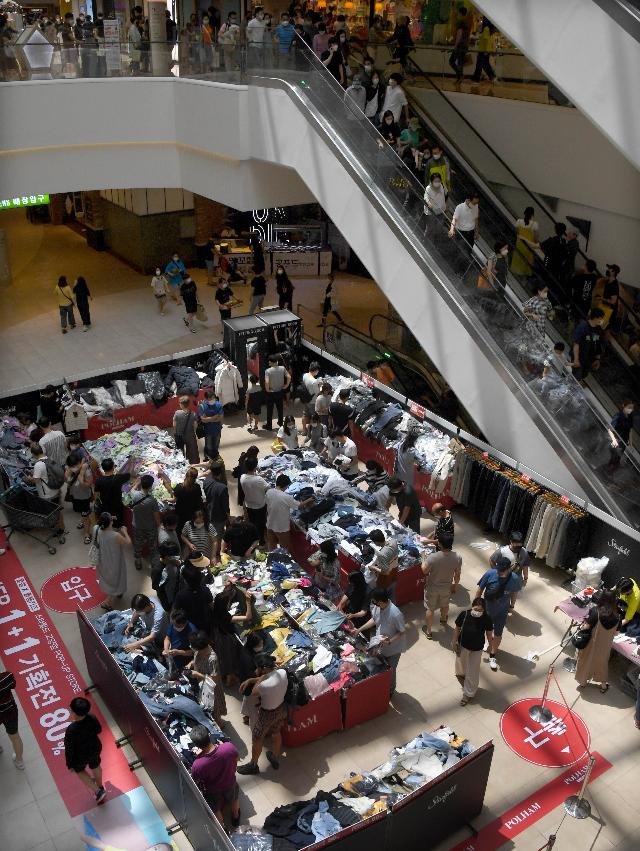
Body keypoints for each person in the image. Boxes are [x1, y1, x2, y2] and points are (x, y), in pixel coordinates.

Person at [237, 654, 288, 774]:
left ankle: (253, 765)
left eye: (258, 668)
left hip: (267, 714)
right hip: (281, 709)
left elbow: (255, 691)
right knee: (276, 732)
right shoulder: (282, 672)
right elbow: (268, 677)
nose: (256, 670)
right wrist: (251, 679)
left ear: (263, 668)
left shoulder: (265, 685)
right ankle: (275, 757)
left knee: (257, 738)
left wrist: (256, 678)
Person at [476, 556, 522, 671]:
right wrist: (476, 605)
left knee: (498, 634)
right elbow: (479, 590)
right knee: (486, 629)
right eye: (498, 569)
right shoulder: (490, 573)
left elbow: (514, 593)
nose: (499, 572)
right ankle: (487, 641)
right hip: (487, 609)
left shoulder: (515, 579)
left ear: (509, 568)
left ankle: (493, 655)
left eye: (502, 570)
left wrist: (512, 606)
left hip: (502, 612)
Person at [357, 589, 406, 696]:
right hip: (380, 644)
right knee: (380, 668)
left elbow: (402, 632)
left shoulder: (395, 614)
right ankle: (381, 687)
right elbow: (374, 620)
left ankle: (390, 692)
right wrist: (359, 629)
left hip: (393, 649)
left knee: (390, 671)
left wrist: (389, 642)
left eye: (375, 602)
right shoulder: (378, 607)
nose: (373, 604)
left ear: (381, 601)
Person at [190, 725, 240, 826]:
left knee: (216, 809)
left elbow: (197, 780)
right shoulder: (228, 747)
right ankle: (235, 817)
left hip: (212, 790)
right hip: (230, 782)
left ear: (197, 745)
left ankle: (223, 826)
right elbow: (236, 759)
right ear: (209, 735)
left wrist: (199, 756)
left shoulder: (197, 764)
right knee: (234, 799)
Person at [575, 590, 620, 692]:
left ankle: (583, 682)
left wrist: (583, 625)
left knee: (586, 662)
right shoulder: (618, 617)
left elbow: (586, 627)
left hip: (592, 644)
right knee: (602, 665)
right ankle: (603, 686)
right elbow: (616, 633)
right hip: (605, 647)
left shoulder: (596, 611)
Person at [452, 598, 494, 706]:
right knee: (460, 662)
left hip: (477, 648)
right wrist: (453, 641)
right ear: (472, 606)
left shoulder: (487, 619)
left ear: (484, 610)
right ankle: (460, 673)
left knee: (473, 671)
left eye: (480, 610)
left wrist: (490, 645)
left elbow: (489, 633)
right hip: (463, 645)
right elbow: (457, 628)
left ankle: (468, 694)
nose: (478, 612)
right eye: (476, 609)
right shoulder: (464, 614)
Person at [64, 697, 106, 804]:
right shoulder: (92, 717)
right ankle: (100, 786)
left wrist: (70, 764)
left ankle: (97, 792)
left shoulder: (71, 730)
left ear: (74, 712)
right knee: (95, 765)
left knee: (79, 771)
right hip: (95, 748)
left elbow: (69, 749)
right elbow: (99, 730)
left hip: (80, 756)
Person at [421, 533, 461, 639]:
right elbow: (457, 574)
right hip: (446, 587)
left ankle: (429, 631)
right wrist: (455, 586)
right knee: (445, 604)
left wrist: (423, 559)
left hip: (432, 587)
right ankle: (443, 619)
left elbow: (424, 571)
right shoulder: (457, 557)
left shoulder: (433, 557)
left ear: (440, 544)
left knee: (430, 608)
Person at [24, 444, 66, 536]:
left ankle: (58, 530)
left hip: (47, 493)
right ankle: (62, 527)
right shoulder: (49, 459)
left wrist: (28, 478)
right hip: (55, 489)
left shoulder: (38, 464)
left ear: (34, 454)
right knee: (58, 509)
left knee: (51, 513)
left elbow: (36, 480)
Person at [490, 532, 530, 609]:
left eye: (520, 544)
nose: (518, 546)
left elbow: (525, 566)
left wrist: (525, 578)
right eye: (516, 544)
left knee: (514, 592)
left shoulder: (524, 552)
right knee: (500, 592)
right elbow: (492, 560)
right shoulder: (502, 551)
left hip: (516, 578)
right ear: (511, 541)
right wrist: (496, 572)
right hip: (503, 578)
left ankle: (511, 606)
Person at [131, 473, 161, 572]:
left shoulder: (134, 495)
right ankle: (154, 564)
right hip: (150, 527)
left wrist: (137, 483)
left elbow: (132, 489)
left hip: (137, 525)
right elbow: (157, 518)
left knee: (138, 544)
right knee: (152, 546)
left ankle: (138, 561)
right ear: (151, 486)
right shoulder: (152, 501)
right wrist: (159, 526)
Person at [167, 467, 205, 539]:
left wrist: (166, 499)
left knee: (180, 530)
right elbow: (199, 498)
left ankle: (181, 542)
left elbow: (174, 500)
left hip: (181, 513)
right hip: (192, 513)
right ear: (196, 478)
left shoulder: (179, 487)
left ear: (186, 476)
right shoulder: (197, 487)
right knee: (190, 530)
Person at [65, 451, 94, 542]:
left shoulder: (86, 470)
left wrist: (81, 480)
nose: (74, 468)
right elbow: (66, 480)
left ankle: (87, 534)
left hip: (84, 497)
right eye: (71, 466)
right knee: (82, 512)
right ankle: (82, 520)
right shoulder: (68, 469)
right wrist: (69, 472)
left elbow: (89, 484)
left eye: (75, 466)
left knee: (86, 515)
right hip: (75, 496)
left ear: (79, 463)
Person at [93, 458, 130, 528]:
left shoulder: (99, 480)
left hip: (105, 507)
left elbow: (96, 496)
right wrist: (131, 462)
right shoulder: (118, 478)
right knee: (117, 526)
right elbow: (131, 474)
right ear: (113, 467)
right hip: (117, 507)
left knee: (107, 524)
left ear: (103, 468)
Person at [266, 474, 298, 551]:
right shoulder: (286, 497)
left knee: (271, 543)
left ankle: (272, 559)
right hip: (281, 527)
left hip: (270, 522)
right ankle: (282, 560)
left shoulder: (269, 492)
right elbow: (298, 506)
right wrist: (309, 500)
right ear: (286, 485)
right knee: (284, 547)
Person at [0, 670, 25, 770]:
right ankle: (19, 761)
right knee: (15, 736)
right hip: (10, 711)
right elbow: (13, 685)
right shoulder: (7, 677)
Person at [449, 194, 480, 274]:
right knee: (461, 252)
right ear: (468, 200)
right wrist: (452, 229)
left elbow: (476, 220)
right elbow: (454, 219)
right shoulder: (460, 207)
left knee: (468, 251)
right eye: (474, 203)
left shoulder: (475, 207)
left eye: (476, 203)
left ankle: (462, 270)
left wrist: (476, 232)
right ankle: (455, 270)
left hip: (470, 233)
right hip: (461, 233)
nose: (475, 204)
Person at [572, 307, 605, 381]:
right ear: (595, 318)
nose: (602, 320)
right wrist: (576, 359)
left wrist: (597, 359)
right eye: (601, 318)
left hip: (589, 359)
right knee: (576, 377)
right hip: (580, 356)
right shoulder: (583, 326)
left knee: (582, 376)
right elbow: (576, 343)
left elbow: (598, 345)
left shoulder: (598, 330)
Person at [365, 529, 399, 598]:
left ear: (376, 542)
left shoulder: (382, 554)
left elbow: (385, 572)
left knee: (383, 598)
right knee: (392, 595)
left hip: (385, 580)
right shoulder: (393, 541)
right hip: (394, 573)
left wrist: (373, 568)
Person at [201, 461, 230, 539]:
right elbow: (225, 505)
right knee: (217, 536)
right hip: (219, 515)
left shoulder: (206, 481)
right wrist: (228, 517)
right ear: (220, 472)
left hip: (209, 511)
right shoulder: (222, 487)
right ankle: (217, 550)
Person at [163, 609, 196, 673]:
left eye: (177, 626)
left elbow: (194, 652)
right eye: (174, 624)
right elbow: (167, 638)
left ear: (185, 623)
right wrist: (166, 649)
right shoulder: (174, 623)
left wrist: (179, 652)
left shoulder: (192, 632)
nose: (175, 627)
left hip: (185, 664)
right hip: (173, 661)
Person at [263, 355, 291, 431]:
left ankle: (269, 426)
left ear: (271, 362)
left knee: (270, 410)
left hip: (271, 393)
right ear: (277, 362)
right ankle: (280, 422)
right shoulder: (282, 368)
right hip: (280, 391)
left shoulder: (268, 371)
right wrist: (286, 386)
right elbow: (288, 377)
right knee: (280, 408)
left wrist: (267, 389)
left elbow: (267, 381)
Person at [510, 207, 539, 279]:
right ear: (532, 215)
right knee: (526, 260)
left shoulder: (519, 221)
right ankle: (524, 274)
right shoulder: (535, 224)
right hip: (528, 245)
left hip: (519, 243)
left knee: (518, 257)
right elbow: (536, 237)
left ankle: (516, 272)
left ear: (524, 213)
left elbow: (516, 232)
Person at [198, 389, 224, 461]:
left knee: (215, 446)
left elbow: (220, 418)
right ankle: (207, 458)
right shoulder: (202, 406)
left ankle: (214, 459)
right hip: (207, 431)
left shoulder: (219, 405)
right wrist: (215, 417)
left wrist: (208, 419)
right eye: (210, 399)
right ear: (206, 399)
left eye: (213, 398)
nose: (213, 400)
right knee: (208, 446)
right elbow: (203, 420)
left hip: (217, 430)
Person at [173, 396, 199, 465]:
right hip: (190, 435)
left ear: (182, 404)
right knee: (192, 452)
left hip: (179, 435)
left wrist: (175, 432)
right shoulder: (193, 414)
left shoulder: (177, 413)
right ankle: (192, 464)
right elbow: (195, 425)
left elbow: (174, 424)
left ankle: (182, 463)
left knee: (180, 451)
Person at [471, 18, 496, 84]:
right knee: (485, 65)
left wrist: (485, 51)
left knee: (479, 65)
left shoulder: (486, 29)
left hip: (483, 50)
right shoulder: (491, 29)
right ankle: (493, 77)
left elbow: (486, 41)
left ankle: (476, 79)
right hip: (486, 50)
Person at [423, 172, 447, 240]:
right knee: (430, 228)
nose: (437, 183)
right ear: (432, 181)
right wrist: (429, 203)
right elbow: (426, 197)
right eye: (435, 181)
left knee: (438, 228)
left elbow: (446, 195)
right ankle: (426, 241)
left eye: (439, 181)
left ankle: (435, 241)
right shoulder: (428, 188)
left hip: (441, 211)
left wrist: (446, 204)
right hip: (431, 212)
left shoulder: (442, 186)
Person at [449, 6, 470, 82]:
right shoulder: (467, 22)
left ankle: (460, 76)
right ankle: (460, 77)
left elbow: (459, 34)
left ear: (460, 13)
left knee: (452, 61)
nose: (457, 15)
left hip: (460, 45)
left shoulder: (461, 22)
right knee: (460, 62)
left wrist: (455, 45)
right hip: (465, 45)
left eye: (458, 13)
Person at [300, 362, 322, 435]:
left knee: (305, 414)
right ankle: (312, 432)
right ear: (315, 370)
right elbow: (317, 392)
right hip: (312, 401)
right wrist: (320, 385)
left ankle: (304, 430)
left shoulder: (305, 375)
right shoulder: (314, 381)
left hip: (305, 398)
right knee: (314, 417)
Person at [599, 263, 621, 331]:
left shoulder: (614, 285)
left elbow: (613, 302)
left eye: (609, 269)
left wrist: (602, 299)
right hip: (605, 308)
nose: (607, 270)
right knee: (600, 326)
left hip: (608, 311)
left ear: (613, 272)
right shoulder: (609, 281)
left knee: (602, 328)